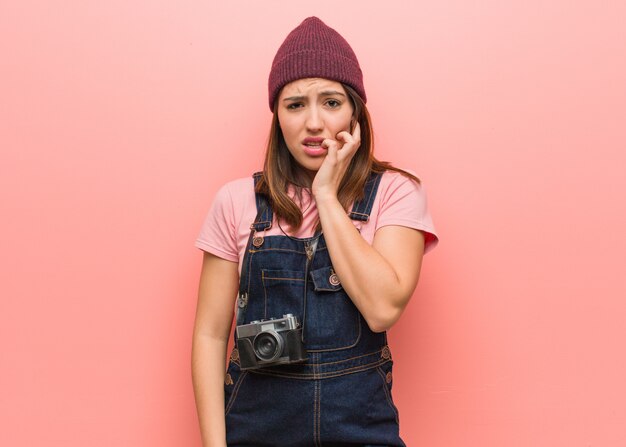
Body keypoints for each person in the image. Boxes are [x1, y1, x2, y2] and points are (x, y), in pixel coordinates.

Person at [192, 16, 438, 446]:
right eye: (294, 105)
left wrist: (326, 193)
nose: (313, 123)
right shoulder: (236, 202)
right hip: (255, 430)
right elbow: (210, 335)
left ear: (355, 112)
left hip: (362, 430)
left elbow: (383, 308)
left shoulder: (397, 192)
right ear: (278, 117)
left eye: (330, 102)